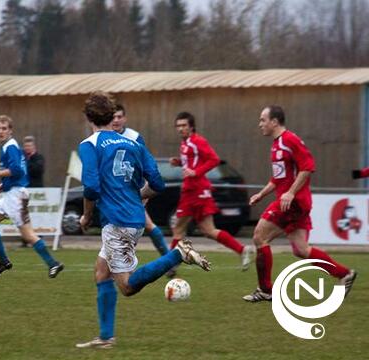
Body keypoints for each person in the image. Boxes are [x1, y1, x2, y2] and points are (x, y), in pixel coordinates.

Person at [76, 92, 211, 349]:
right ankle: (105, 338)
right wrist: (137, 197)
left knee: (126, 286)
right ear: (111, 116)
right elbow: (158, 183)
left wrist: (87, 215)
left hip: (116, 222)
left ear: (88, 117)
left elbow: (91, 188)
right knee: (101, 272)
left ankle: (177, 255)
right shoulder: (133, 144)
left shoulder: (89, 145)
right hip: (134, 217)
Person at [243, 105, 357, 302]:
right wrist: (261, 194)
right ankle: (344, 274)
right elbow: (278, 179)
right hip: (291, 201)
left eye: (263, 120)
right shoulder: (276, 145)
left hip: (293, 203)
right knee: (301, 250)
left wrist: (291, 192)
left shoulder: (290, 140)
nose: (260, 124)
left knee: (259, 237)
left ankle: (265, 289)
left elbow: (307, 168)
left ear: (275, 122)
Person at [0, 115, 64, 278]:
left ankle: (53, 263)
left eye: (4, 128)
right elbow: (19, 171)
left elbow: (17, 170)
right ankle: (3, 261)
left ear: (10, 130)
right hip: (11, 194)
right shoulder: (10, 147)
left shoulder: (10, 146)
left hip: (15, 197)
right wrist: (5, 183)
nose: (0, 131)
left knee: (28, 234)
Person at [169, 112, 254, 274]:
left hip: (196, 191)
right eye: (178, 126)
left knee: (179, 228)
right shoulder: (185, 143)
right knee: (206, 230)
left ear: (191, 127)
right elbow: (192, 162)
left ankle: (170, 265)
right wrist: (179, 162)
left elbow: (214, 159)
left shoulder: (198, 141)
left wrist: (196, 172)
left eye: (184, 125)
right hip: (191, 190)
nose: (180, 129)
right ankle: (242, 250)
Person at [111, 104, 170, 257]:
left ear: (125, 118)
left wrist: (144, 192)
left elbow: (145, 165)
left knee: (143, 227)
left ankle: (169, 260)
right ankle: (169, 260)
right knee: (139, 227)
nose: (116, 120)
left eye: (119, 117)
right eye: (113, 117)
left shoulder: (135, 137)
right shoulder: (105, 137)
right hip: (114, 193)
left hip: (132, 192)